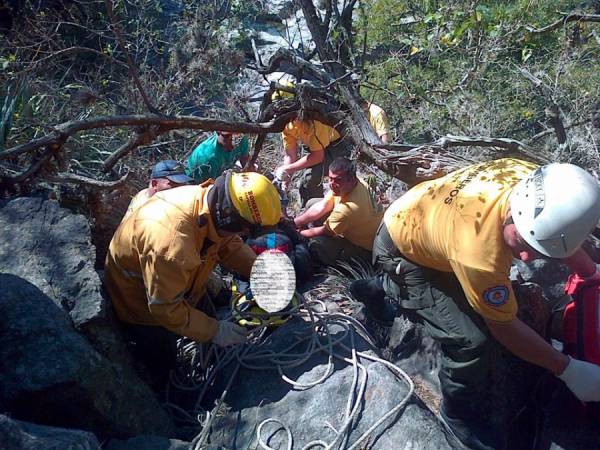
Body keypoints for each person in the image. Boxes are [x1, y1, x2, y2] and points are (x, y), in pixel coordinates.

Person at [350, 158, 600, 449]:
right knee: (471, 342)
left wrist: (591, 273)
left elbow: (557, 234)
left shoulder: (530, 179)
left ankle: (383, 288)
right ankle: (457, 415)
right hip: (401, 248)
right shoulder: (479, 257)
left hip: (422, 216)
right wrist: (567, 369)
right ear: (513, 215)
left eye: (536, 248)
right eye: (523, 244)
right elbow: (504, 327)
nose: (527, 259)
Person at [104, 171, 281, 387]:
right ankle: (170, 393)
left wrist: (263, 273)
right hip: (141, 303)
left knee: (208, 319)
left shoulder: (208, 202)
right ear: (229, 217)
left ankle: (210, 365)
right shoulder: (172, 243)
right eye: (246, 228)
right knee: (163, 358)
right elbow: (164, 308)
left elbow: (228, 245)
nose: (245, 233)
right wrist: (214, 331)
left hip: (179, 280)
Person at [293, 157, 383, 267]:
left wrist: (297, 234)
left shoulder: (349, 208)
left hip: (364, 249)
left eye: (338, 180)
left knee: (317, 244)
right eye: (330, 178)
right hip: (358, 226)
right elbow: (323, 205)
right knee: (312, 203)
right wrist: (294, 223)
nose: (332, 184)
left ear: (352, 179)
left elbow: (325, 231)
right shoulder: (354, 183)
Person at [275, 118, 350, 206]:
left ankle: (318, 213)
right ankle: (307, 210)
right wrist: (284, 184)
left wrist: (287, 168)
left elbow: (318, 156)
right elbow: (290, 155)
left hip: (336, 145)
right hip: (312, 145)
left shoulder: (315, 120)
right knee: (303, 183)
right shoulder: (287, 124)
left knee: (310, 178)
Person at [125, 159, 193, 216]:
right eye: (172, 188)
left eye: (182, 185)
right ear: (154, 184)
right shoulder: (145, 210)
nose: (178, 192)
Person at [186, 131, 250, 183]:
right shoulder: (209, 157)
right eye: (227, 136)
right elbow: (209, 189)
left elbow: (245, 160)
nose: (233, 139)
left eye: (236, 133)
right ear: (218, 132)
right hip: (196, 184)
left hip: (219, 175)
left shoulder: (242, 139)